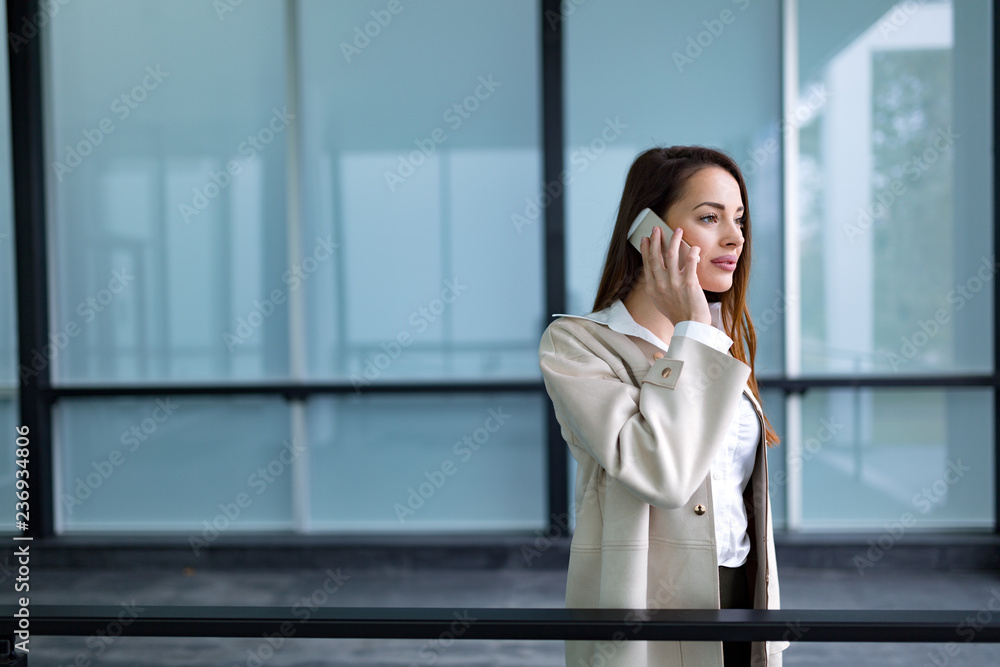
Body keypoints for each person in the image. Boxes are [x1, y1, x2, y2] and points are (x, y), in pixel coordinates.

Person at [538, 146, 790, 666]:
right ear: (649, 231)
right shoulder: (578, 345)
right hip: (648, 610)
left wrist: (700, 333)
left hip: (742, 599)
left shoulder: (714, 343)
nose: (735, 238)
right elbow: (663, 475)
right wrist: (694, 331)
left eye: (738, 219)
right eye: (708, 217)